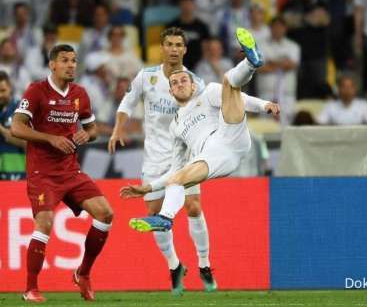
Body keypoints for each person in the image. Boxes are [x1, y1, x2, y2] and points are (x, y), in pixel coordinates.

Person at [119, 28, 279, 245]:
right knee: (178, 178)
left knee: (228, 83)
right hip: (212, 156)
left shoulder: (207, 93)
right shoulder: (175, 127)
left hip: (230, 135)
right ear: (171, 92)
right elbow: (175, 169)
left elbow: (240, 98)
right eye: (174, 84)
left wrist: (264, 105)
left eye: (183, 80)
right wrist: (147, 188)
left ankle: (251, 63)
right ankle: (165, 219)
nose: (179, 84)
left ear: (193, 85)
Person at [109, 27, 212, 295]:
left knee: (193, 206)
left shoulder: (195, 83)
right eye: (169, 44)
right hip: (155, 156)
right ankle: (175, 265)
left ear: (185, 49)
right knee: (154, 215)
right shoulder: (147, 77)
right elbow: (128, 102)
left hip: (186, 155)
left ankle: (204, 263)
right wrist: (118, 127)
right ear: (162, 48)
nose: (174, 49)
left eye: (179, 44)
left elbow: (207, 113)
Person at [11, 44, 113, 303]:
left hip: (70, 170)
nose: (71, 65)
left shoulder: (80, 94)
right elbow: (16, 127)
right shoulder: (36, 91)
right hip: (42, 171)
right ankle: (30, 288)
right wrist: (50, 139)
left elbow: (93, 129)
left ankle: (83, 273)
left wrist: (86, 135)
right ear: (52, 65)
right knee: (44, 222)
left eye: (74, 61)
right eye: (65, 60)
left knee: (105, 213)